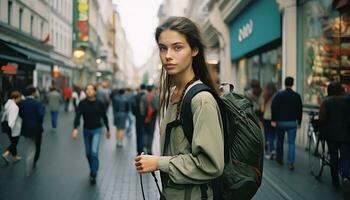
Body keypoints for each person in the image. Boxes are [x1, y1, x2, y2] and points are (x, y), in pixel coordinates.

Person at [134, 17, 224, 199]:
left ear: (194, 50)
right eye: (162, 48)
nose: (168, 55)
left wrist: (159, 163)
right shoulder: (174, 94)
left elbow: (211, 164)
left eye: (177, 47)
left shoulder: (201, 100)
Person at [71, 84, 110, 185]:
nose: (89, 91)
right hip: (86, 131)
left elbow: (104, 117)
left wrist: (108, 129)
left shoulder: (100, 103)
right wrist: (75, 128)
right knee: (88, 153)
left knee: (93, 152)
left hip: (97, 130)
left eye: (91, 89)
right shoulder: (82, 103)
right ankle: (92, 168)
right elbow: (77, 116)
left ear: (95, 91)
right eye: (87, 89)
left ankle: (94, 173)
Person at [319, 82, 350, 190]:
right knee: (346, 157)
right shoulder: (347, 100)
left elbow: (322, 119)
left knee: (333, 157)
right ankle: (346, 177)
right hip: (345, 134)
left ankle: (335, 181)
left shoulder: (326, 101)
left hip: (331, 134)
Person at [271, 77, 302, 171]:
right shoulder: (297, 96)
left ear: (284, 83)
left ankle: (279, 158)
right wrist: (299, 122)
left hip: (281, 122)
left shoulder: (279, 95)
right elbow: (300, 109)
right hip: (292, 123)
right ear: (292, 84)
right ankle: (290, 163)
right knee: (291, 143)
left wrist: (273, 119)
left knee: (279, 141)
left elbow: (273, 106)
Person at [19, 85, 45, 176]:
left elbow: (21, 114)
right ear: (33, 92)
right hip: (37, 128)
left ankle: (29, 164)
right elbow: (41, 115)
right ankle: (33, 162)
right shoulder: (37, 103)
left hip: (26, 128)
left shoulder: (22, 103)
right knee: (37, 146)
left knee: (30, 146)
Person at [1, 90, 22, 164]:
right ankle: (5, 154)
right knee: (14, 143)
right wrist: (11, 128)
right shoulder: (15, 107)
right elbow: (12, 118)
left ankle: (15, 157)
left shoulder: (8, 103)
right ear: (17, 97)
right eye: (20, 98)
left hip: (6, 125)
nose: (20, 100)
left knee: (13, 142)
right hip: (12, 127)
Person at [140, 85, 159, 154]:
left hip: (145, 118)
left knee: (145, 133)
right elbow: (157, 107)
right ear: (152, 90)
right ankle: (149, 149)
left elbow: (141, 109)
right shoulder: (154, 97)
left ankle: (144, 148)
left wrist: (144, 115)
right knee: (151, 134)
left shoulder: (143, 97)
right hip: (152, 118)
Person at [261, 82, 277, 159]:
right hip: (274, 118)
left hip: (266, 117)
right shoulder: (276, 96)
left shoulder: (265, 96)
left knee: (267, 134)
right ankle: (272, 149)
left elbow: (262, 109)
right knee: (273, 134)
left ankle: (268, 149)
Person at [131, 84, 147, 155]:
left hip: (138, 118)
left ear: (140, 88)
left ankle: (139, 150)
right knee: (145, 133)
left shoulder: (135, 96)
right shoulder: (147, 96)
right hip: (146, 118)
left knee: (138, 133)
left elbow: (133, 106)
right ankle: (145, 148)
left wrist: (135, 114)